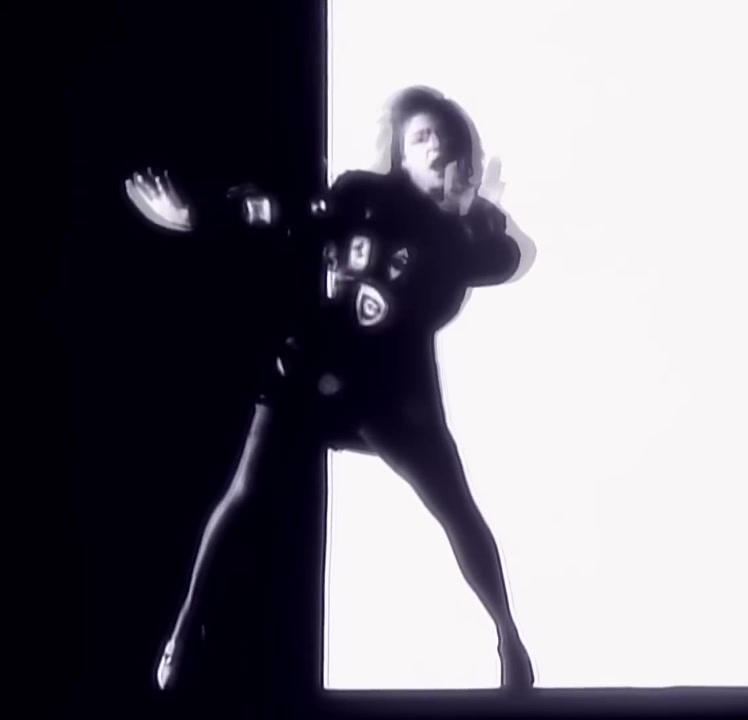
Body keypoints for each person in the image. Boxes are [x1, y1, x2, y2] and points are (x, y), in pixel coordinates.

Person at [124, 86, 536, 692]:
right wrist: (199, 215)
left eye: (446, 140)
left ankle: (509, 638)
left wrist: (472, 214)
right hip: (314, 363)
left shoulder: (458, 233)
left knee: (455, 506)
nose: (435, 149)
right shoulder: (360, 194)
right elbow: (284, 212)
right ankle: (185, 633)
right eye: (422, 137)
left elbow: (508, 259)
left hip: (395, 388)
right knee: (245, 494)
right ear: (400, 150)